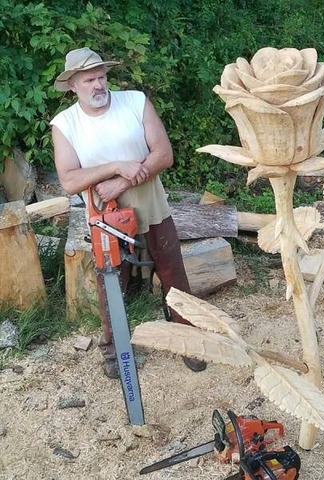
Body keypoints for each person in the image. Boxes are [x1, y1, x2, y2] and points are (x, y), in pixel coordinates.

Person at [50, 47, 206, 377]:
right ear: (73, 85)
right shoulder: (65, 124)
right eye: (89, 79)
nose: (98, 85)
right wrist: (115, 166)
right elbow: (69, 180)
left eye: (101, 77)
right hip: (106, 215)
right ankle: (114, 352)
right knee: (111, 284)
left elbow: (164, 154)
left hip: (151, 202)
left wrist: (120, 182)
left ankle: (190, 340)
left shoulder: (135, 101)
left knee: (172, 273)